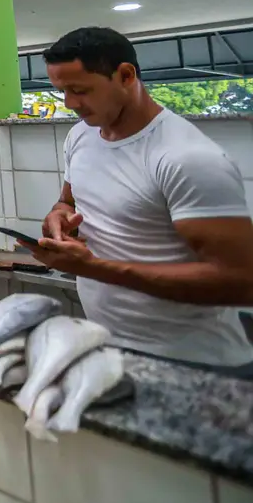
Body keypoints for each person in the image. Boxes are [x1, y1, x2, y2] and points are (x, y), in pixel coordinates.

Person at [30, 27, 253, 374]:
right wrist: (59, 218)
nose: (70, 104)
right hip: (107, 345)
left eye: (80, 90)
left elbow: (240, 282)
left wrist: (93, 268)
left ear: (125, 75)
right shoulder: (81, 136)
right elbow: (67, 202)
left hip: (194, 362)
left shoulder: (187, 158)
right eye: (63, 92)